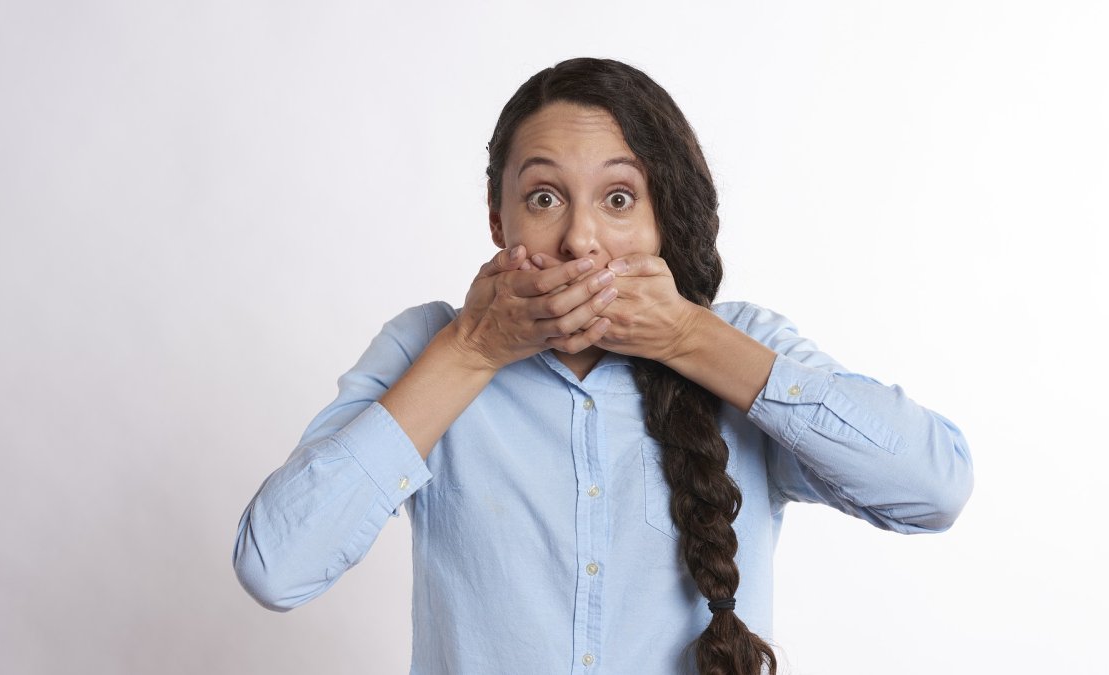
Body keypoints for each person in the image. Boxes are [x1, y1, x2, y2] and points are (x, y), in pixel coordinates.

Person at [232, 57, 974, 675]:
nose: (580, 239)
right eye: (544, 197)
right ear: (498, 218)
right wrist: (471, 352)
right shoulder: (432, 346)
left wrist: (687, 340)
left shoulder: (740, 344)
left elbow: (932, 489)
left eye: (619, 198)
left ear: (661, 216)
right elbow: (277, 567)